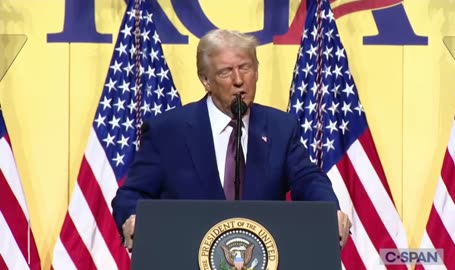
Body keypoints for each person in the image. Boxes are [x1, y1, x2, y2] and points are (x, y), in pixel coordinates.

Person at [111, 29, 352, 251]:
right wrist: (133, 217)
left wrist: (329, 210)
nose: (238, 80)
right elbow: (132, 194)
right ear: (206, 80)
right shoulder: (167, 131)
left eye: (245, 68)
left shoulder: (281, 127)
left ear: (256, 72)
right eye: (226, 71)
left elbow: (308, 179)